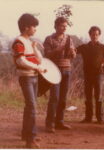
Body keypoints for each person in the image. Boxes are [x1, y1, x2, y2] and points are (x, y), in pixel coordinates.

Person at [12, 13, 45, 148]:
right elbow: (20, 60)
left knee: (30, 106)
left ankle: (26, 134)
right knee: (31, 107)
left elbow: (40, 60)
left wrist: (35, 48)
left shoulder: (28, 42)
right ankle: (30, 139)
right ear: (26, 27)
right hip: (26, 77)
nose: (35, 29)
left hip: (33, 76)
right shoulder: (18, 41)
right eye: (34, 27)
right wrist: (37, 67)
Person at [44, 17, 76, 133]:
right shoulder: (49, 39)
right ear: (56, 26)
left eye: (65, 26)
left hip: (67, 69)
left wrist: (73, 53)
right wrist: (59, 49)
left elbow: (73, 55)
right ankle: (50, 123)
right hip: (54, 70)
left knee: (63, 97)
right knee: (54, 97)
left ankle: (60, 121)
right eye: (62, 25)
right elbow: (47, 55)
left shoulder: (69, 38)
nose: (65, 28)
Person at [77, 26, 104, 124]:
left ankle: (100, 118)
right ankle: (88, 118)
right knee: (88, 97)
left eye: (96, 34)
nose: (94, 36)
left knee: (99, 97)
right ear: (90, 35)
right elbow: (74, 52)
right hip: (87, 75)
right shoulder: (84, 47)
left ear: (99, 35)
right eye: (93, 34)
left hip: (99, 75)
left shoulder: (103, 47)